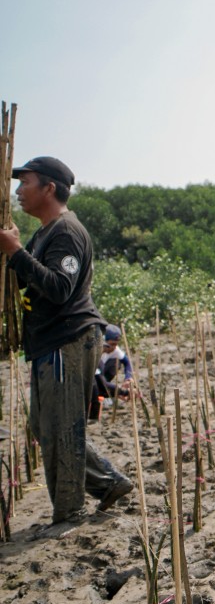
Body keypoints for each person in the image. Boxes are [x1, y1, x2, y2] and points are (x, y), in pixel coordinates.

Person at [0, 156, 133, 537]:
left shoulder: (66, 232)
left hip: (69, 337)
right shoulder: (44, 233)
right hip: (48, 341)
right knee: (45, 426)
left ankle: (69, 513)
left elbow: (60, 287)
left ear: (49, 188)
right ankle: (107, 482)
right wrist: (15, 252)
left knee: (63, 426)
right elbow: (26, 279)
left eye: (25, 183)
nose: (18, 191)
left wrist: (16, 252)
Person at [90, 324, 134, 420]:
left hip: (100, 376)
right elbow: (102, 383)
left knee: (116, 363)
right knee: (96, 387)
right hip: (91, 381)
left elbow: (127, 363)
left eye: (116, 344)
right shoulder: (94, 355)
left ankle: (107, 393)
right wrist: (123, 392)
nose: (114, 348)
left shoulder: (113, 350)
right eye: (111, 344)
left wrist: (128, 378)